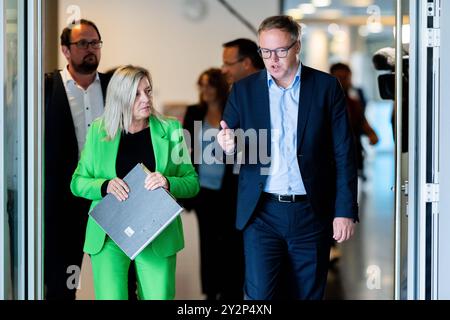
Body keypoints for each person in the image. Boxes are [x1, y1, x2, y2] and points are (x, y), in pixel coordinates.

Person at [217, 15, 358, 300]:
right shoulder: (244, 90)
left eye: (280, 50)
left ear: (297, 47)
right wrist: (227, 145)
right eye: (265, 51)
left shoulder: (326, 87)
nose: (273, 59)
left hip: (311, 212)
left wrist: (344, 210)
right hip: (262, 213)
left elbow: (344, 152)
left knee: (307, 294)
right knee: (259, 297)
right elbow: (227, 140)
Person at [70, 65, 199, 300]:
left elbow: (191, 182)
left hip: (156, 233)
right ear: (120, 98)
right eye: (137, 94)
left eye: (148, 91)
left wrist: (168, 182)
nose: (146, 99)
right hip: (108, 234)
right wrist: (105, 185)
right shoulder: (99, 131)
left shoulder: (171, 130)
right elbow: (77, 182)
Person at [44, 19, 112, 300]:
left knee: (118, 278)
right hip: (61, 199)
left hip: (109, 195)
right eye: (82, 43)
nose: (90, 49)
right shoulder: (45, 88)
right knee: (62, 282)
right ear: (65, 50)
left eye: (95, 42)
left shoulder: (113, 87)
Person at [183, 68, 243, 300]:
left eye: (209, 85)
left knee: (230, 242)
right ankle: (210, 291)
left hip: (228, 190)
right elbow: (184, 150)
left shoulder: (233, 111)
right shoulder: (194, 112)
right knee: (207, 244)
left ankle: (231, 292)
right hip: (203, 190)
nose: (204, 90)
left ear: (219, 86)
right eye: (201, 85)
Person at [330, 63, 379, 180]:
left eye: (345, 77)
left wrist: (371, 133)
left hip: (353, 145)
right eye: (339, 78)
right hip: (331, 149)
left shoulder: (356, 96)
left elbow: (361, 117)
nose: (342, 81)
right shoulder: (325, 96)